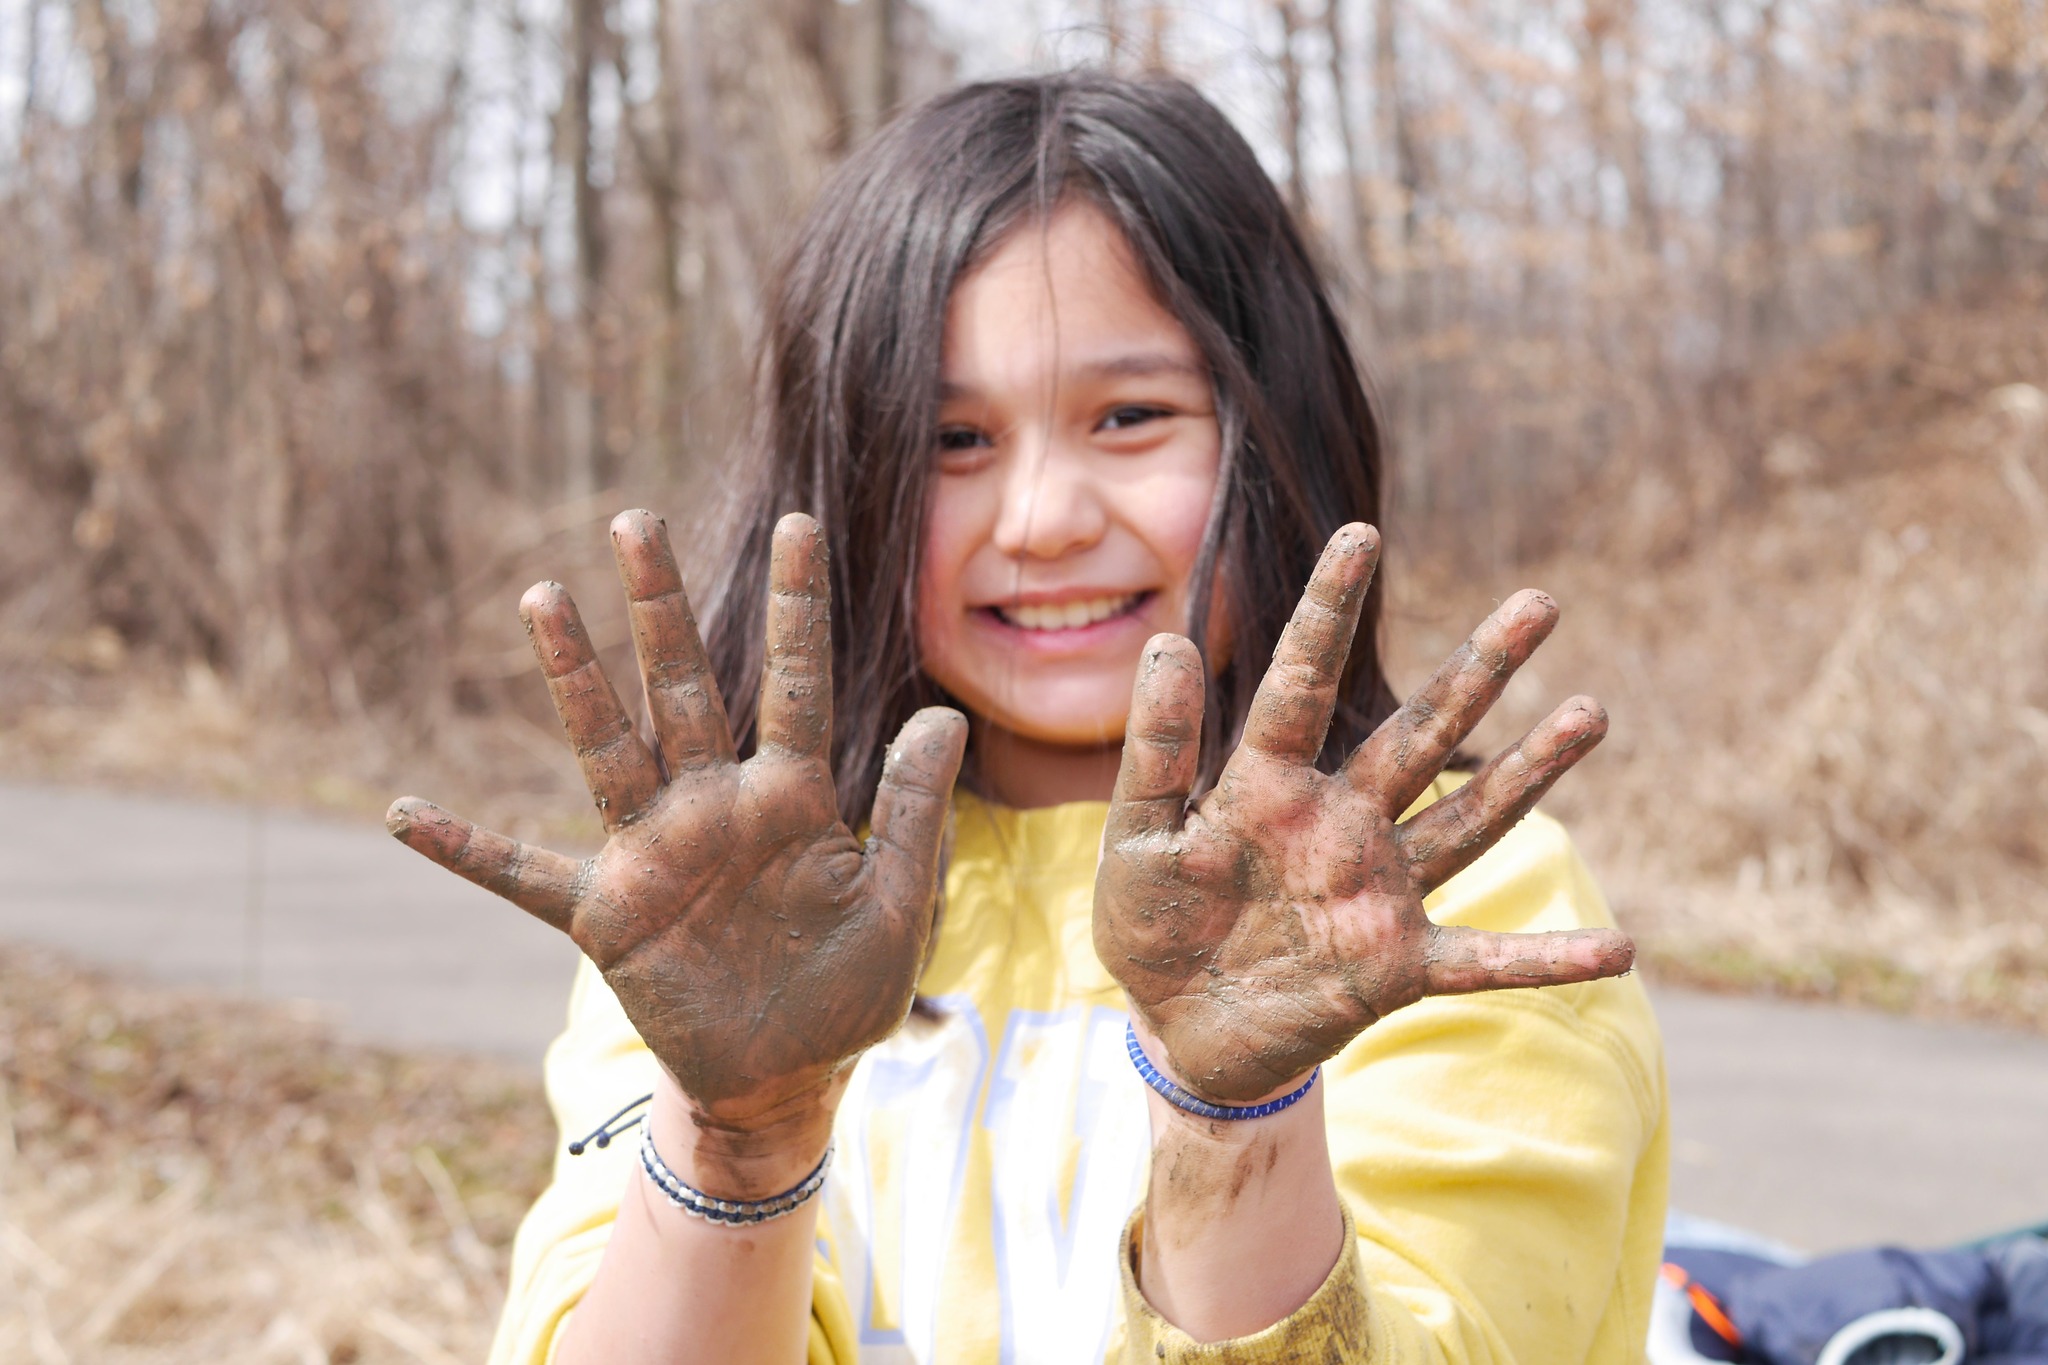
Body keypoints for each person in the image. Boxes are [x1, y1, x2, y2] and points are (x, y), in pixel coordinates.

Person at [387, 72, 1669, 1364]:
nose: (1043, 516)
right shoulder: (717, 921)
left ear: (1278, 432)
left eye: (1129, 416)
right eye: (953, 438)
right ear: (848, 482)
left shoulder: (1440, 906)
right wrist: (738, 1134)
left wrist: (1244, 1121)